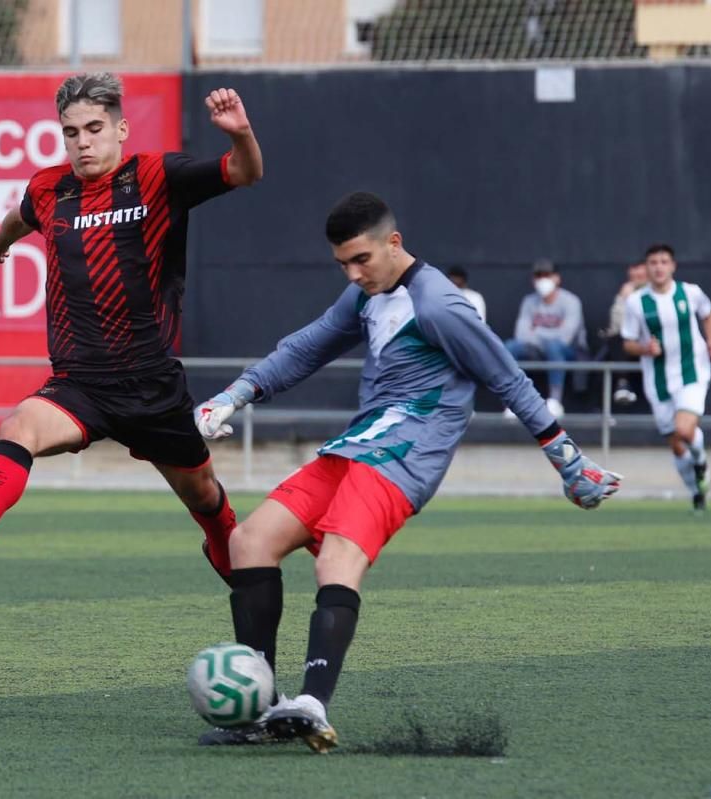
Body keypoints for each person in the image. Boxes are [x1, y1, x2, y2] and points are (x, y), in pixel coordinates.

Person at [192, 192, 621, 752]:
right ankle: (262, 709)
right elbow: (306, 348)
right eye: (342, 263)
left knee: (338, 556)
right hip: (355, 445)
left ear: (394, 242)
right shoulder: (366, 294)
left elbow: (508, 379)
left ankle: (313, 704)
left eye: (360, 260)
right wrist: (235, 394)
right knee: (250, 540)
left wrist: (568, 462)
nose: (352, 273)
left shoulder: (441, 306)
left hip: (405, 457)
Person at [0, 73, 263, 578]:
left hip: (151, 386)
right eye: (71, 132)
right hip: (80, 384)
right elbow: (21, 214)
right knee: (19, 426)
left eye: (95, 128)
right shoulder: (49, 187)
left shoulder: (157, 176)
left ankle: (223, 543)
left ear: (122, 130)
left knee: (203, 492)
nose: (83, 142)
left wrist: (240, 133)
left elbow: (246, 172)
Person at [622, 243, 711, 513]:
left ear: (673, 266)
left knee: (685, 430)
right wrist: (645, 348)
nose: (658, 267)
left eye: (664, 261)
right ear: (646, 268)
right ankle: (696, 494)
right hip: (658, 381)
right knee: (676, 444)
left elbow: (708, 314)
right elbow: (627, 342)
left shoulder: (690, 293)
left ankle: (701, 463)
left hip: (692, 372)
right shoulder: (635, 302)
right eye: (653, 262)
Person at [503, 259, 586, 419]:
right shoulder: (529, 301)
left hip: (570, 351)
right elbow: (521, 334)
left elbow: (566, 337)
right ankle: (512, 401)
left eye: (547, 275)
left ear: (557, 278)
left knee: (554, 346)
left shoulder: (571, 301)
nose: (543, 280)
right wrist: (549, 333)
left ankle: (555, 400)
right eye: (539, 276)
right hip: (537, 350)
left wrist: (536, 331)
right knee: (510, 347)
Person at [600, 261, 648, 406]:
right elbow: (616, 326)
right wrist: (623, 299)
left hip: (651, 341)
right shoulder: (625, 293)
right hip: (629, 345)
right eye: (634, 269)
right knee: (615, 339)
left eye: (641, 269)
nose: (638, 274)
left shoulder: (654, 292)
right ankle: (622, 384)